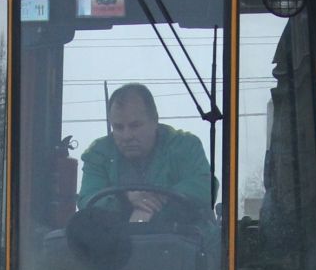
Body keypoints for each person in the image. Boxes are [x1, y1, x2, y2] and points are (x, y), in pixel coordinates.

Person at [76, 83, 214, 222]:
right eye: (118, 127)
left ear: (155, 121)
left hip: (188, 239)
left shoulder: (184, 146)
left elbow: (206, 187)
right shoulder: (98, 154)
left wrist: (157, 199)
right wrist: (125, 198)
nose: (126, 136)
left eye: (135, 126)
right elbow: (87, 200)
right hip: (118, 242)